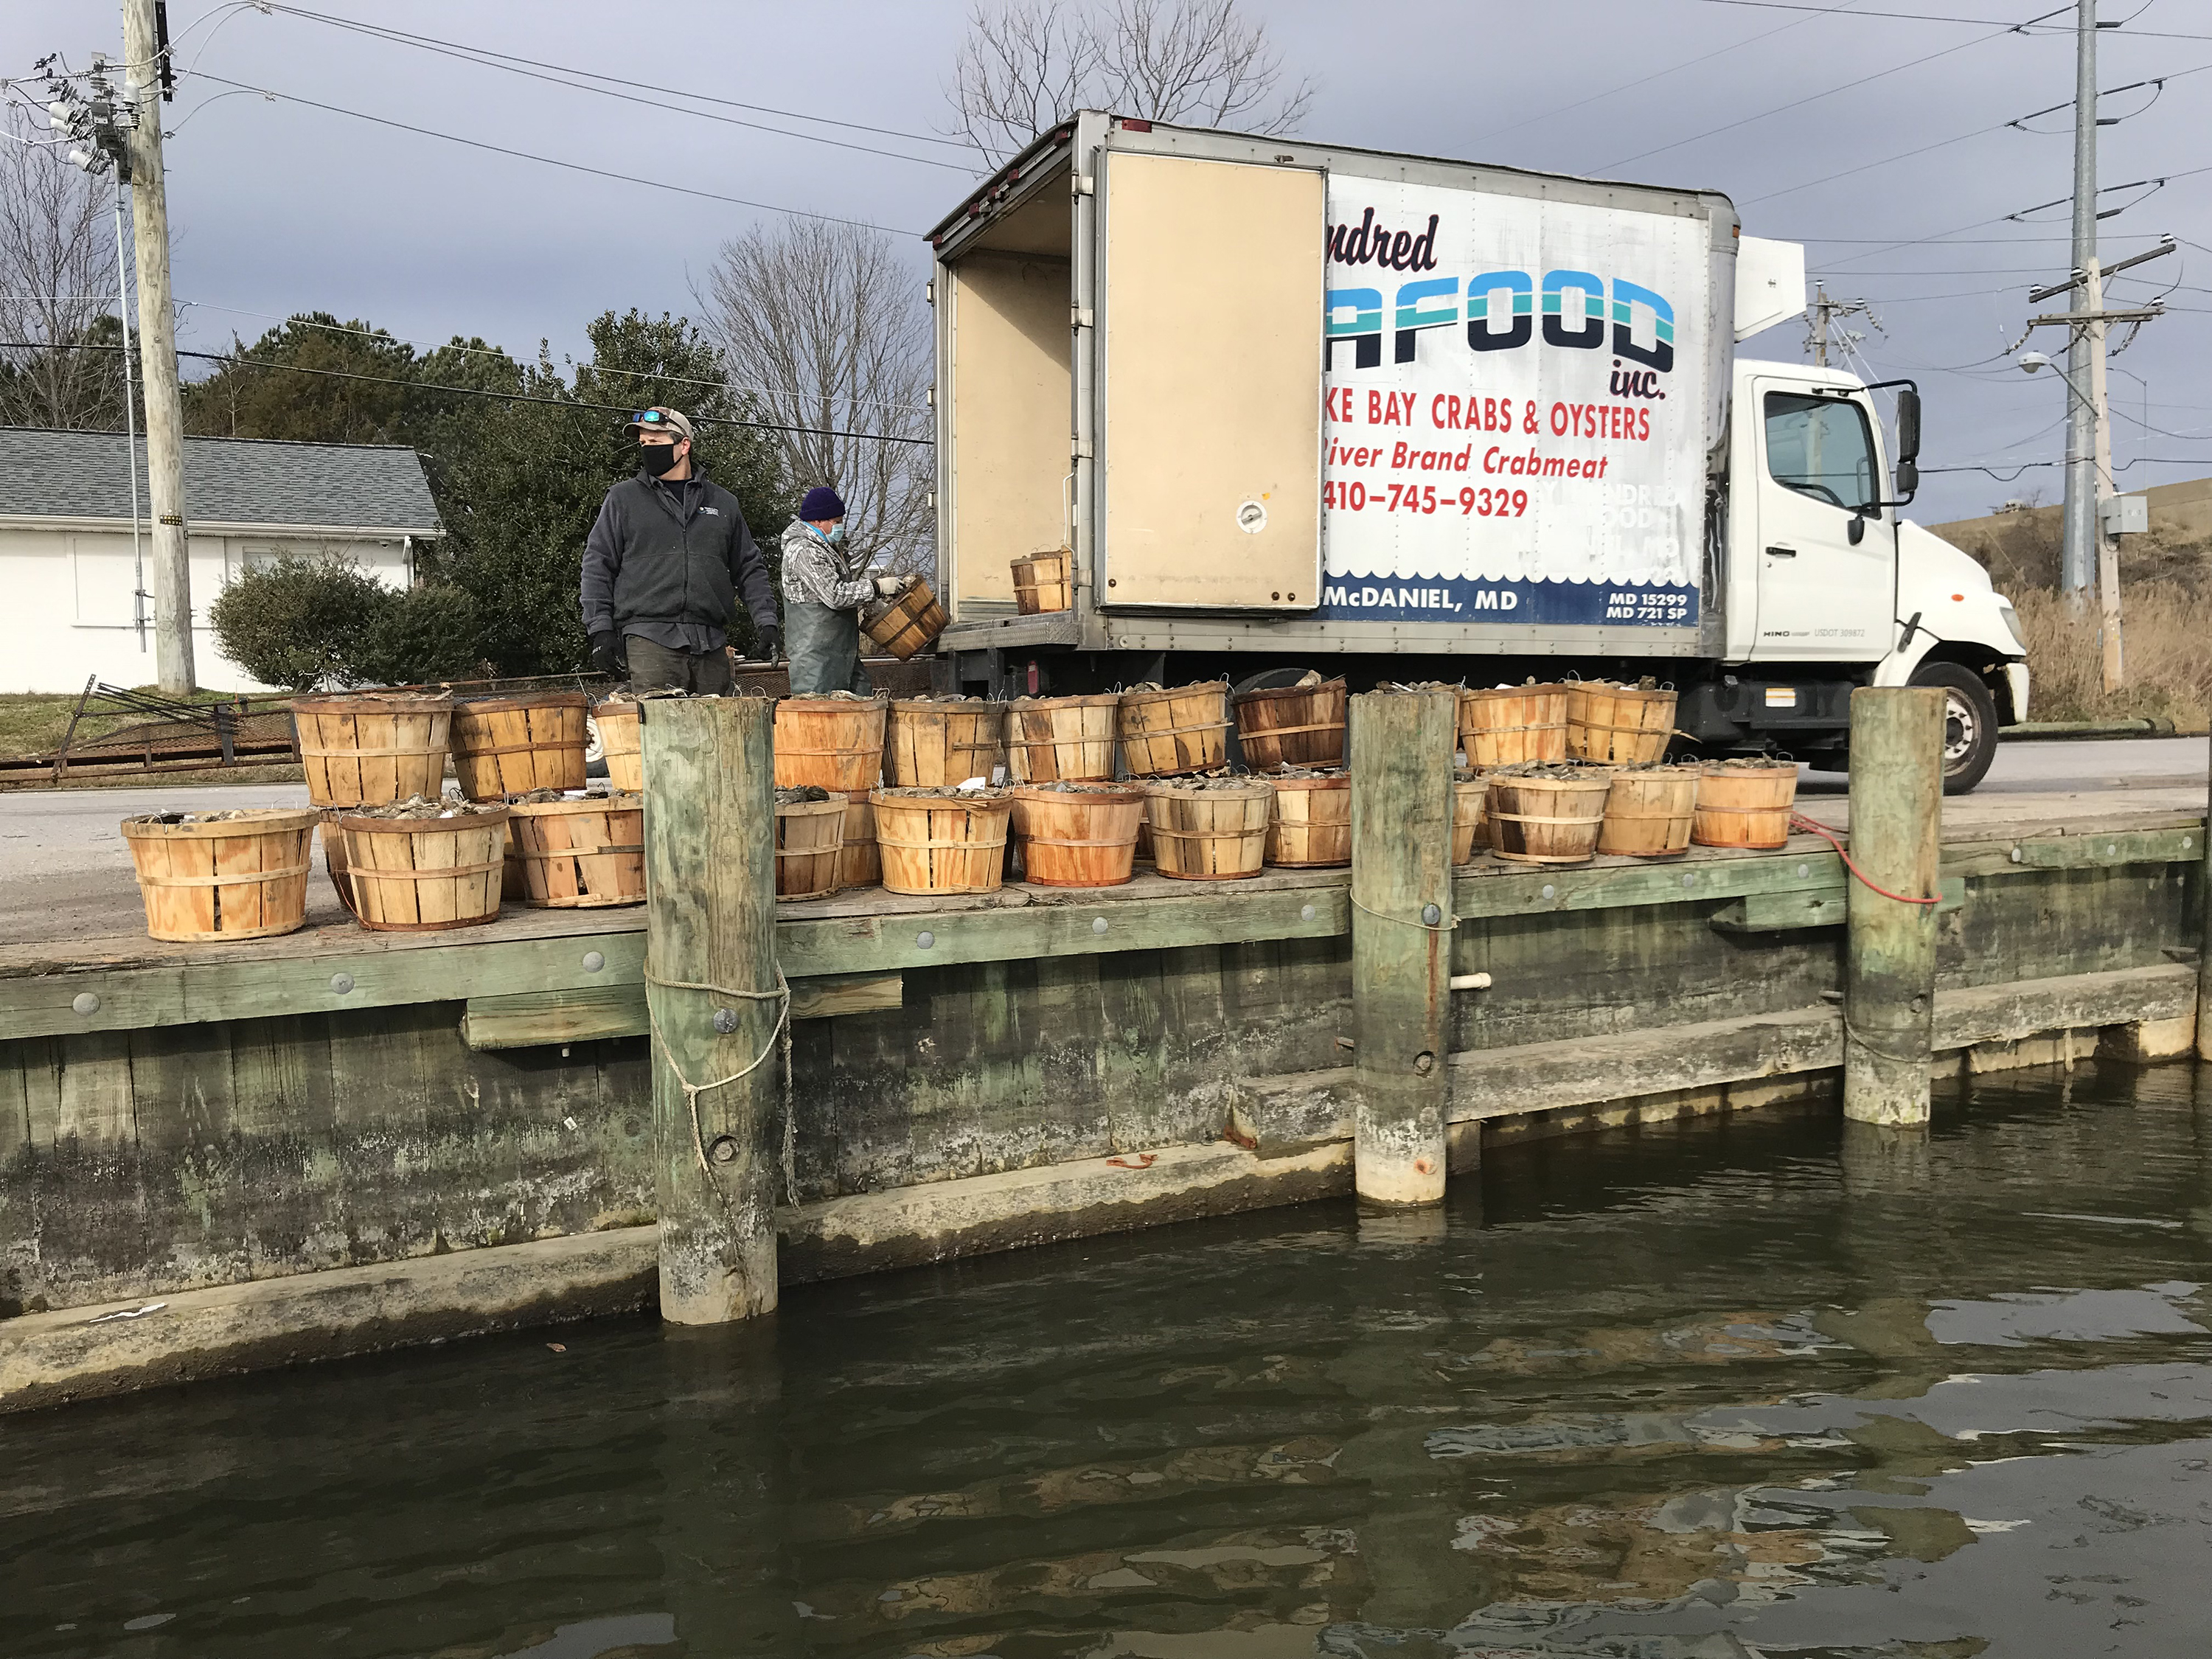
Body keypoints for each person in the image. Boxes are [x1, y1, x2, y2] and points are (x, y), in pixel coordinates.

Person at [579, 406, 779, 693]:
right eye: (643, 444)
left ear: (684, 445)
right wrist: (600, 629)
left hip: (711, 645)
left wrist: (767, 622)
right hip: (650, 642)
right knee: (662, 737)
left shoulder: (724, 503)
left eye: (656, 443)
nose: (647, 450)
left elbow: (750, 568)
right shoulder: (623, 499)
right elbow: (597, 565)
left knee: (717, 736)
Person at [780, 485, 900, 697]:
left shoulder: (828, 548)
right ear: (818, 521)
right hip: (816, 661)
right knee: (820, 717)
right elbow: (835, 595)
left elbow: (842, 589)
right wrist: (876, 587)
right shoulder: (804, 550)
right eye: (836, 522)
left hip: (842, 654)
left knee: (862, 703)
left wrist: (873, 603)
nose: (841, 526)